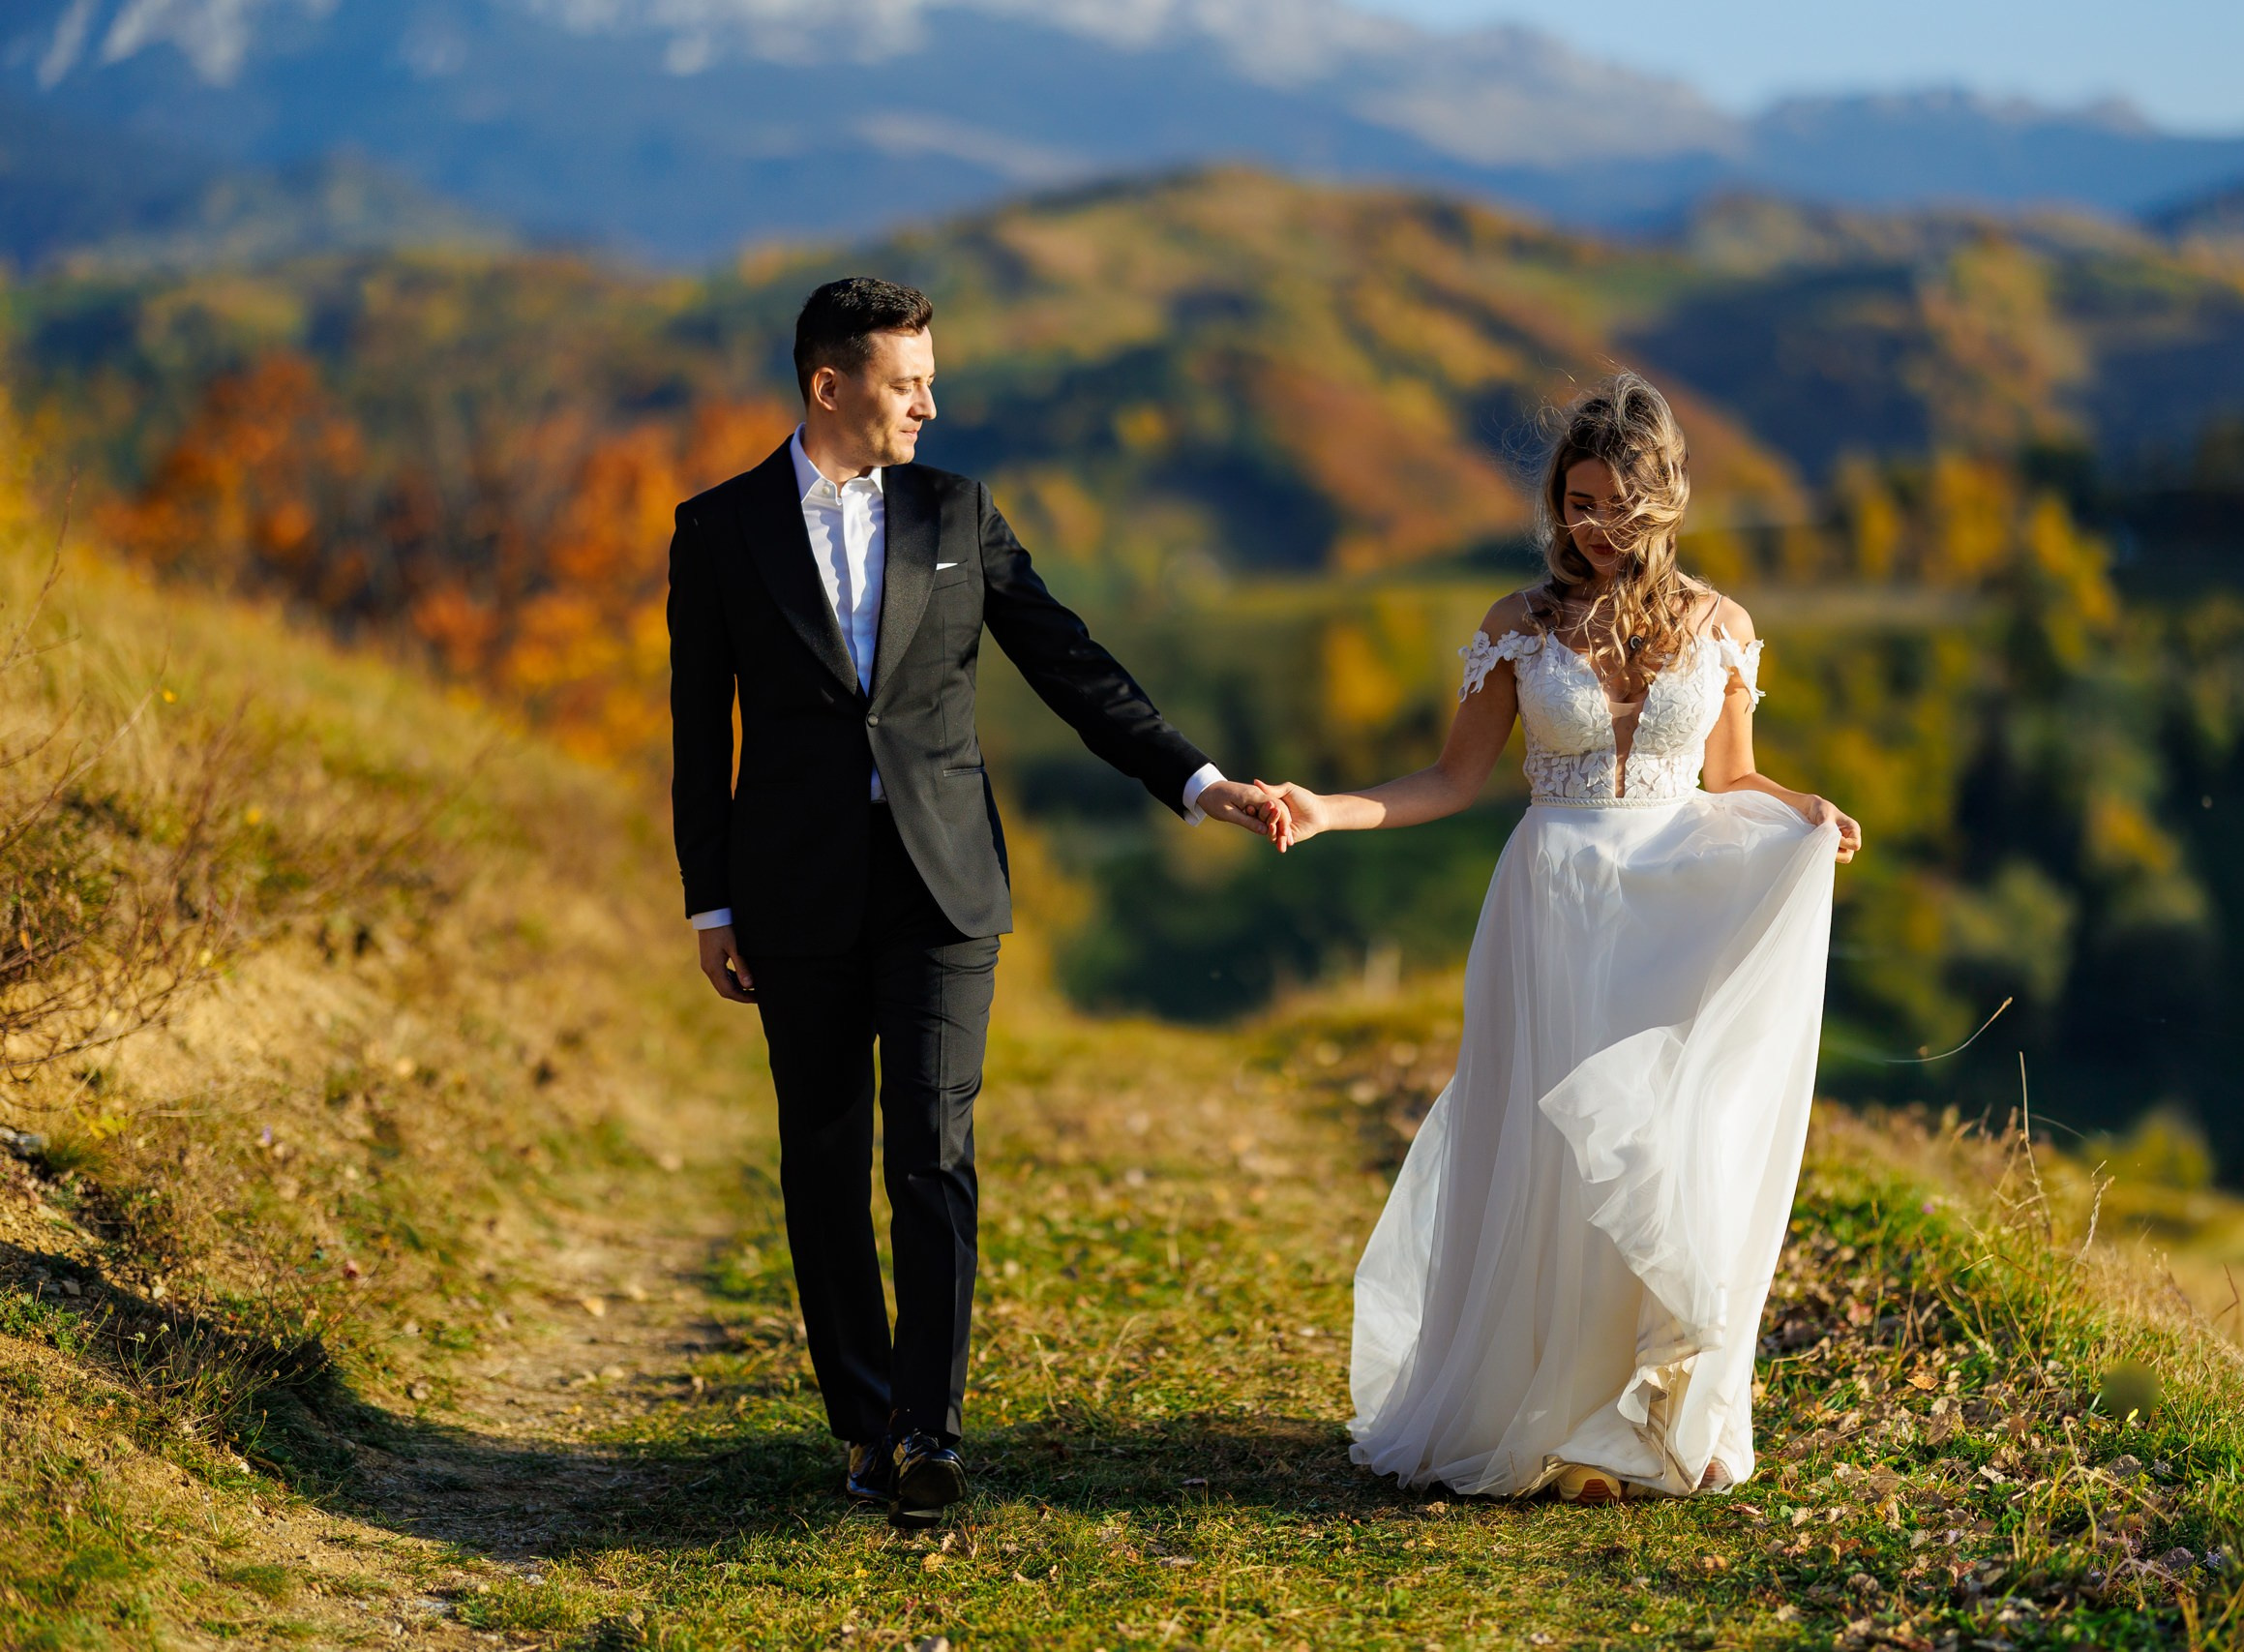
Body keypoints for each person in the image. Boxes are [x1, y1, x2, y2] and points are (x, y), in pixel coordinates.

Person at [666, 277, 1275, 1526]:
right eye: (906, 384)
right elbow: (695, 732)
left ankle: (927, 1432)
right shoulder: (718, 529)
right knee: (822, 1155)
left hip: (943, 883)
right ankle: (861, 1421)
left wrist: (1195, 779)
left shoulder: (957, 510)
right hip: (795, 890)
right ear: (829, 385)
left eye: (929, 381)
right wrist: (709, 905)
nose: (928, 406)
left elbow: (1066, 659)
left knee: (931, 1149)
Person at [1253, 373, 1861, 1502]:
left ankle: (1640, 1415)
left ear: (1663, 500)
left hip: (1673, 904)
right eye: (1577, 503)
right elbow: (1450, 778)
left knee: (1659, 1142)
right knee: (1551, 1152)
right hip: (1555, 900)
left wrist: (1805, 811)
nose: (1593, 527)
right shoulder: (1517, 626)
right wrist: (1327, 808)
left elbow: (1732, 778)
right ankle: (1542, 1416)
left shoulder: (1723, 627)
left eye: (1616, 506)